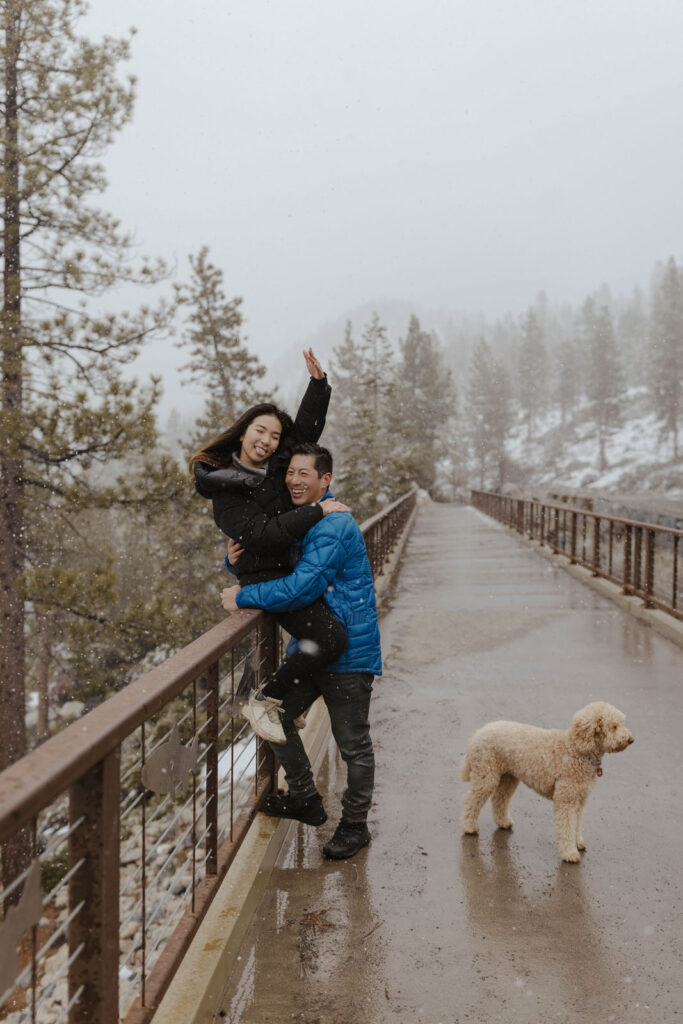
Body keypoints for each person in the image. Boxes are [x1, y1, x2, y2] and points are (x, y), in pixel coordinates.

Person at [221, 443, 381, 860]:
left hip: (346, 652)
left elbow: (302, 587)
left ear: (325, 481)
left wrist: (242, 597)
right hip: (312, 650)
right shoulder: (302, 519)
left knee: (353, 745)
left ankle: (354, 825)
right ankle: (305, 797)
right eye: (290, 472)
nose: (294, 480)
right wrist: (233, 560)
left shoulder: (334, 525)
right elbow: (274, 559)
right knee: (270, 716)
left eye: (304, 474)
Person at [190, 350, 350, 744]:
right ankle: (268, 699)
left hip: (289, 567)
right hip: (267, 575)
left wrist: (318, 385)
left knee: (330, 638)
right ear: (243, 431)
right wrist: (317, 510)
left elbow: (305, 435)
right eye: (260, 431)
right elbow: (264, 534)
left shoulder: (276, 465)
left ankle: (286, 704)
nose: (267, 440)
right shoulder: (222, 487)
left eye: (274, 435)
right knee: (330, 639)